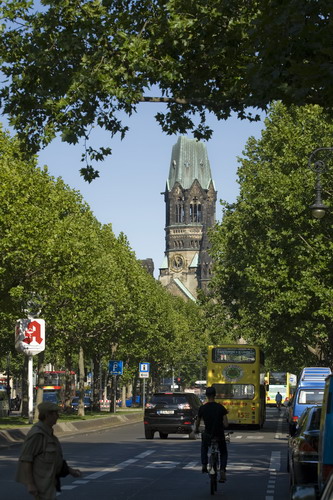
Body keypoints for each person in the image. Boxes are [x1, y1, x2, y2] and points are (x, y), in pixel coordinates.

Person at [16, 401, 81, 499]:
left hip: (49, 482)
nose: (57, 416)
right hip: (41, 484)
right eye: (55, 414)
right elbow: (26, 460)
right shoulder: (37, 435)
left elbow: (54, 459)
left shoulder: (48, 433)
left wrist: (70, 471)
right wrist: (30, 484)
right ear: (47, 415)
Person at [195, 386, 229, 483]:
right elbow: (226, 424)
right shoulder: (220, 407)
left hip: (207, 434)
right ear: (215, 395)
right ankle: (222, 470)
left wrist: (196, 430)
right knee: (223, 452)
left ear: (206, 395)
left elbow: (197, 422)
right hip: (219, 434)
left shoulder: (202, 408)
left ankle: (204, 465)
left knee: (204, 448)